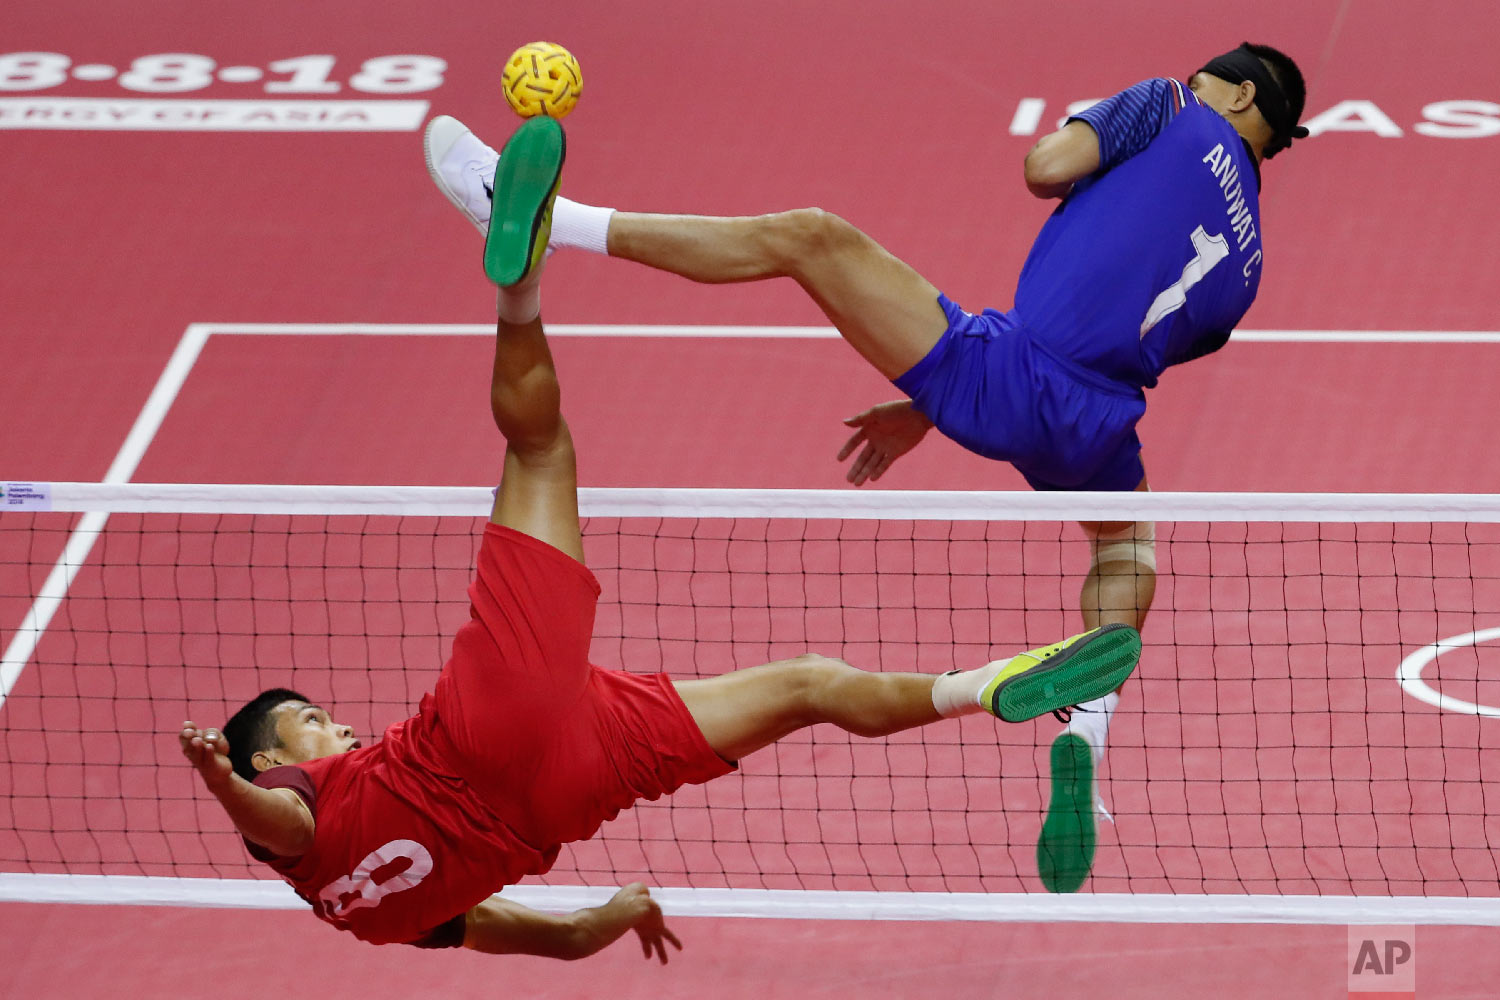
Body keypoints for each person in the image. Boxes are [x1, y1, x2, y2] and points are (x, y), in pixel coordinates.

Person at [177, 117, 1142, 958]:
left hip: (561, 794)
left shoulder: (369, 917)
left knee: (810, 686)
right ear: (273, 760)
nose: (329, 725)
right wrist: (224, 783)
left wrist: (609, 916)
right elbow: (279, 826)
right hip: (486, 729)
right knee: (540, 448)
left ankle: (985, 687)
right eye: (304, 722)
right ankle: (518, 285)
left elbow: (531, 938)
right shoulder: (295, 806)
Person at [422, 40, 1307, 893]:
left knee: (811, 239)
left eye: (1206, 75)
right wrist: (936, 401)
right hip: (1094, 422)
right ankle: (1089, 730)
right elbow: (1109, 331)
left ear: (1234, 94)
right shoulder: (1250, 267)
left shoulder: (1169, 103)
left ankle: (545, 216)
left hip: (1007, 372)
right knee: (1126, 552)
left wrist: (1087, 147)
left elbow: (1045, 167)